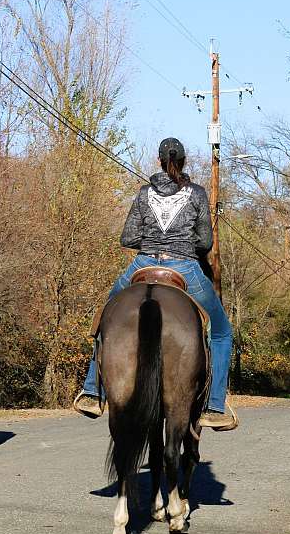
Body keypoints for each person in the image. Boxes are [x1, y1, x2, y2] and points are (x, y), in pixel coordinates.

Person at [73, 137, 236, 429]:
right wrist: (184, 244)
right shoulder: (197, 194)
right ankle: (215, 405)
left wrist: (151, 242)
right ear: (183, 161)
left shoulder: (144, 193)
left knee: (104, 318)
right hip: (184, 267)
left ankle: (91, 390)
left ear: (159, 161)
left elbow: (127, 238)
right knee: (222, 332)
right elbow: (206, 242)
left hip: (143, 264)